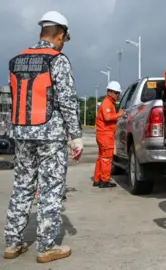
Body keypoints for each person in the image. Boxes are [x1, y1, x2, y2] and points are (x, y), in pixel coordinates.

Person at [4, 11, 83, 263]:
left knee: (23, 186)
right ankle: (46, 246)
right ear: (59, 35)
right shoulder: (56, 60)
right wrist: (76, 136)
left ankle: (13, 243)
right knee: (50, 189)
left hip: (22, 134)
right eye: (64, 38)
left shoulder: (16, 60)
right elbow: (67, 101)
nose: (63, 43)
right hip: (50, 135)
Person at [93, 81, 123, 188]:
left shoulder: (108, 102)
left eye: (118, 93)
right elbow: (108, 117)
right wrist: (120, 114)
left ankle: (97, 179)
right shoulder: (107, 103)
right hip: (105, 135)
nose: (117, 95)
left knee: (101, 158)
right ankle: (104, 181)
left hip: (103, 134)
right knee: (107, 158)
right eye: (116, 92)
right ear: (109, 92)